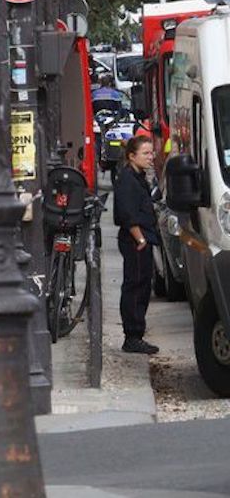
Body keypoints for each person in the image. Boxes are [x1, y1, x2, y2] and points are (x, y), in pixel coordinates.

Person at [113, 135, 161, 355]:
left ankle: (135, 334)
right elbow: (126, 213)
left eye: (151, 153)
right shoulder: (127, 179)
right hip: (136, 241)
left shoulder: (138, 177)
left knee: (142, 286)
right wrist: (140, 238)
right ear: (132, 156)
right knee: (135, 286)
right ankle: (132, 336)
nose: (151, 157)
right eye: (146, 153)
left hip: (143, 238)